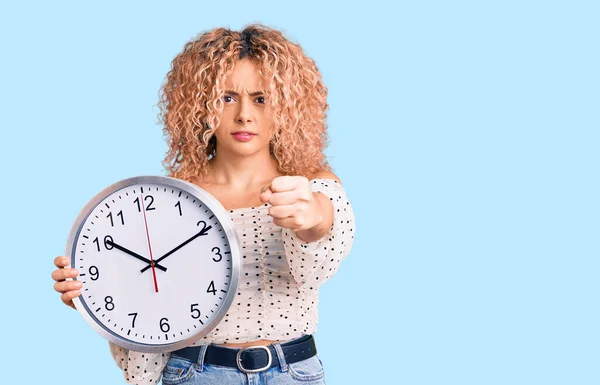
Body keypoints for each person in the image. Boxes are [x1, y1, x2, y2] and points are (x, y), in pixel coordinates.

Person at [51, 23, 355, 385]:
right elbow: (151, 315)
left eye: (261, 98)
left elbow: (317, 257)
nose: (244, 114)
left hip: (291, 373)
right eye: (227, 98)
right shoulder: (171, 200)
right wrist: (96, 300)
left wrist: (311, 220)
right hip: (194, 373)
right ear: (201, 106)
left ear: (288, 106)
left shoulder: (310, 187)